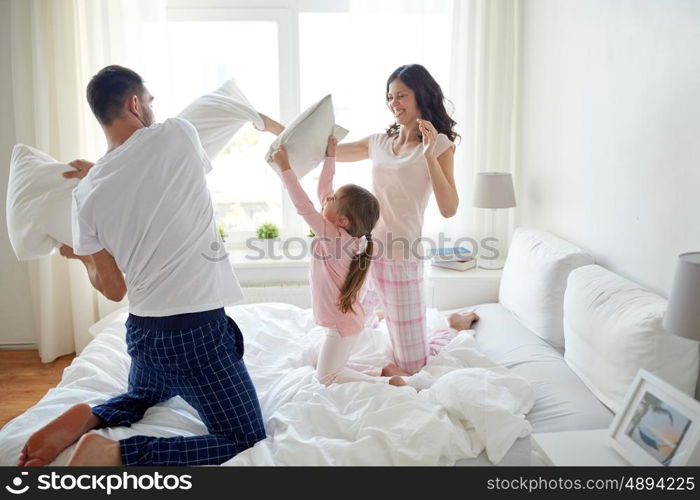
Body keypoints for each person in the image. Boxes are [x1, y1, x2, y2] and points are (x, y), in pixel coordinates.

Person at [17, 65, 265, 466]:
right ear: (135, 104)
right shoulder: (179, 135)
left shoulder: (87, 194)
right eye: (149, 101)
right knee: (245, 437)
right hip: (198, 333)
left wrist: (79, 253)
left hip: (143, 335)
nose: (152, 109)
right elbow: (149, 175)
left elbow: (113, 288)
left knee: (148, 393)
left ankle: (92, 415)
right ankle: (116, 451)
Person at [263, 64, 479, 379]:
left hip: (402, 259)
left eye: (402, 95)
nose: (394, 103)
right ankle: (386, 319)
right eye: (390, 97)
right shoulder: (378, 142)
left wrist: (430, 154)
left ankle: (449, 325)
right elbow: (322, 150)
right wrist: (274, 129)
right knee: (352, 329)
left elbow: (449, 209)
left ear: (422, 95)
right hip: (364, 255)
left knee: (413, 366)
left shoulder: (440, 146)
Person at [271, 137, 402, 386]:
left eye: (333, 200)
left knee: (326, 378)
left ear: (343, 220)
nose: (327, 198)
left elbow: (304, 206)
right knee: (335, 367)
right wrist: (329, 157)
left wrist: (285, 168)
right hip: (345, 321)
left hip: (341, 325)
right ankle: (383, 371)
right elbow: (324, 189)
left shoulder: (333, 238)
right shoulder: (342, 234)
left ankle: (387, 382)